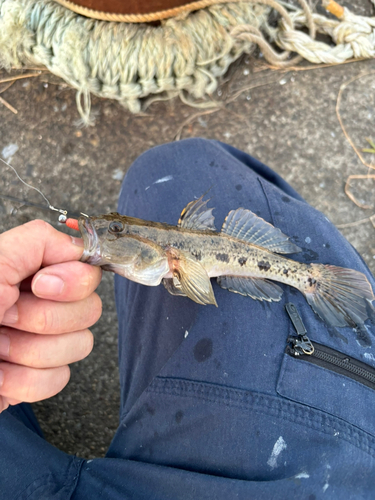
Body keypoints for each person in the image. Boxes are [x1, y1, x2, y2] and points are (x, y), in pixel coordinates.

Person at [0, 138, 375, 499]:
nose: (108, 233)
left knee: (164, 163)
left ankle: (311, 279)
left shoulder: (174, 253)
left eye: (116, 230)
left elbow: (199, 288)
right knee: (175, 162)